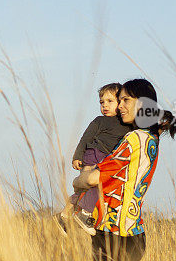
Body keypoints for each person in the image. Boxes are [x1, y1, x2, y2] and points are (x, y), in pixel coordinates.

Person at [73, 78, 176, 261]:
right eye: (118, 101)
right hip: (133, 233)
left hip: (114, 235)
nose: (119, 106)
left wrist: (77, 180)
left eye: (126, 101)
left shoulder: (133, 140)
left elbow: (93, 178)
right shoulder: (151, 140)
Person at [55, 83, 132, 234]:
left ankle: (63, 215)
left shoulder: (126, 123)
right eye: (102, 102)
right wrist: (77, 156)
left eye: (110, 101)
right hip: (95, 154)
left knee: (84, 191)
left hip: (104, 158)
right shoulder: (100, 121)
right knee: (97, 184)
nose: (105, 105)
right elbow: (85, 138)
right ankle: (85, 214)